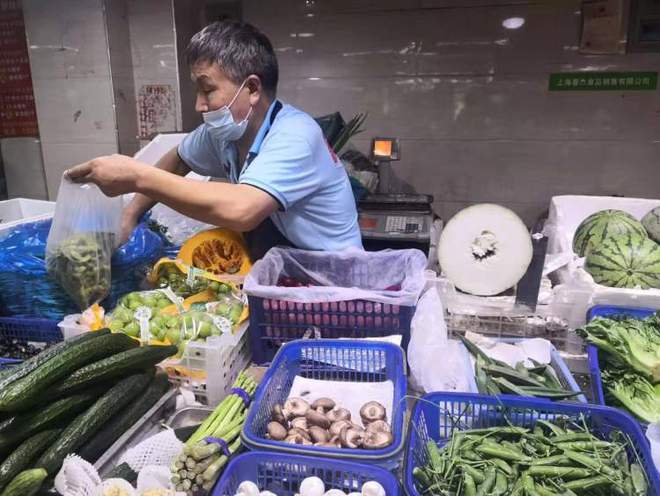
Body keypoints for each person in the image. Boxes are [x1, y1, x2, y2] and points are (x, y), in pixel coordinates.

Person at [67, 20, 362, 260]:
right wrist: (130, 215)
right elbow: (178, 160)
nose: (199, 105)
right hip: (286, 273)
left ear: (253, 88)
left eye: (207, 90)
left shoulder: (296, 135)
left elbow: (242, 210)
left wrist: (136, 176)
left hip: (332, 281)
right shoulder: (225, 134)